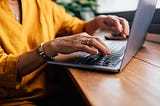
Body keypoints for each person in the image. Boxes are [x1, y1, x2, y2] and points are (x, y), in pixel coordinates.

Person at [0, 0, 129, 105]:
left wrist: (95, 23)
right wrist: (50, 47)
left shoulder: (42, 4)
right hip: (13, 101)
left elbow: (74, 27)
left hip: (52, 92)